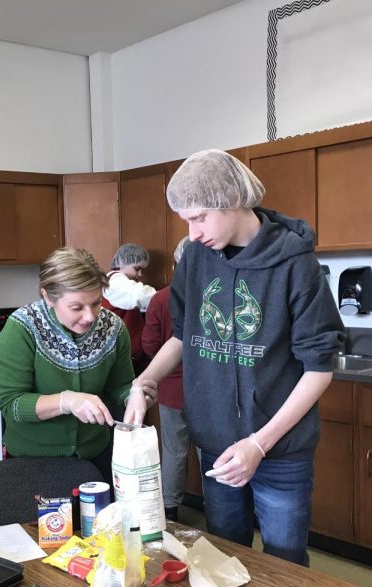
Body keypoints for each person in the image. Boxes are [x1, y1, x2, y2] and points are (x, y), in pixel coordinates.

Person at [126, 149, 344, 566]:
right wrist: (144, 383)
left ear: (234, 201)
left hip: (280, 451)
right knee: (225, 556)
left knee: (284, 563)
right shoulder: (195, 259)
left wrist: (259, 445)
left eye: (200, 217)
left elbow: (319, 369)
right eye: (186, 220)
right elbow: (184, 335)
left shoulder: (297, 266)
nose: (192, 232)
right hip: (217, 446)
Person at [0, 247, 153, 478]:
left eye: (97, 303)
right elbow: (12, 404)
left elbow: (119, 385)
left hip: (95, 456)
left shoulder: (113, 328)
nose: (90, 316)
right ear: (48, 297)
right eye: (76, 307)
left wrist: (136, 394)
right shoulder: (22, 328)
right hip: (32, 461)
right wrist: (65, 401)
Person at [141, 236, 198, 522]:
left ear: (176, 262)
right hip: (207, 392)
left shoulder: (161, 298)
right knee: (212, 455)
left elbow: (149, 345)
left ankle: (170, 511)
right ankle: (222, 516)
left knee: (174, 452)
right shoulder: (211, 295)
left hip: (172, 389)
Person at [102, 243, 157, 375]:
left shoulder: (123, 282)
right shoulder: (115, 281)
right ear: (122, 262)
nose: (140, 274)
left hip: (130, 356)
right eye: (137, 268)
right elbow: (141, 295)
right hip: (123, 359)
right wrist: (164, 298)